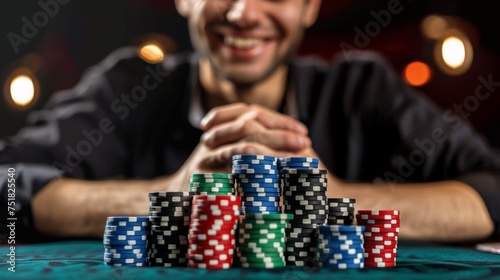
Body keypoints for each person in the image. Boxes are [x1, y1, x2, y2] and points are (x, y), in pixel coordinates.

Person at [1, 0, 499, 243]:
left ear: (309, 7)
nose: (242, 13)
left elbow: (493, 190)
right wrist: (172, 196)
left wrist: (330, 199)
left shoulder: (362, 90)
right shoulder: (128, 85)